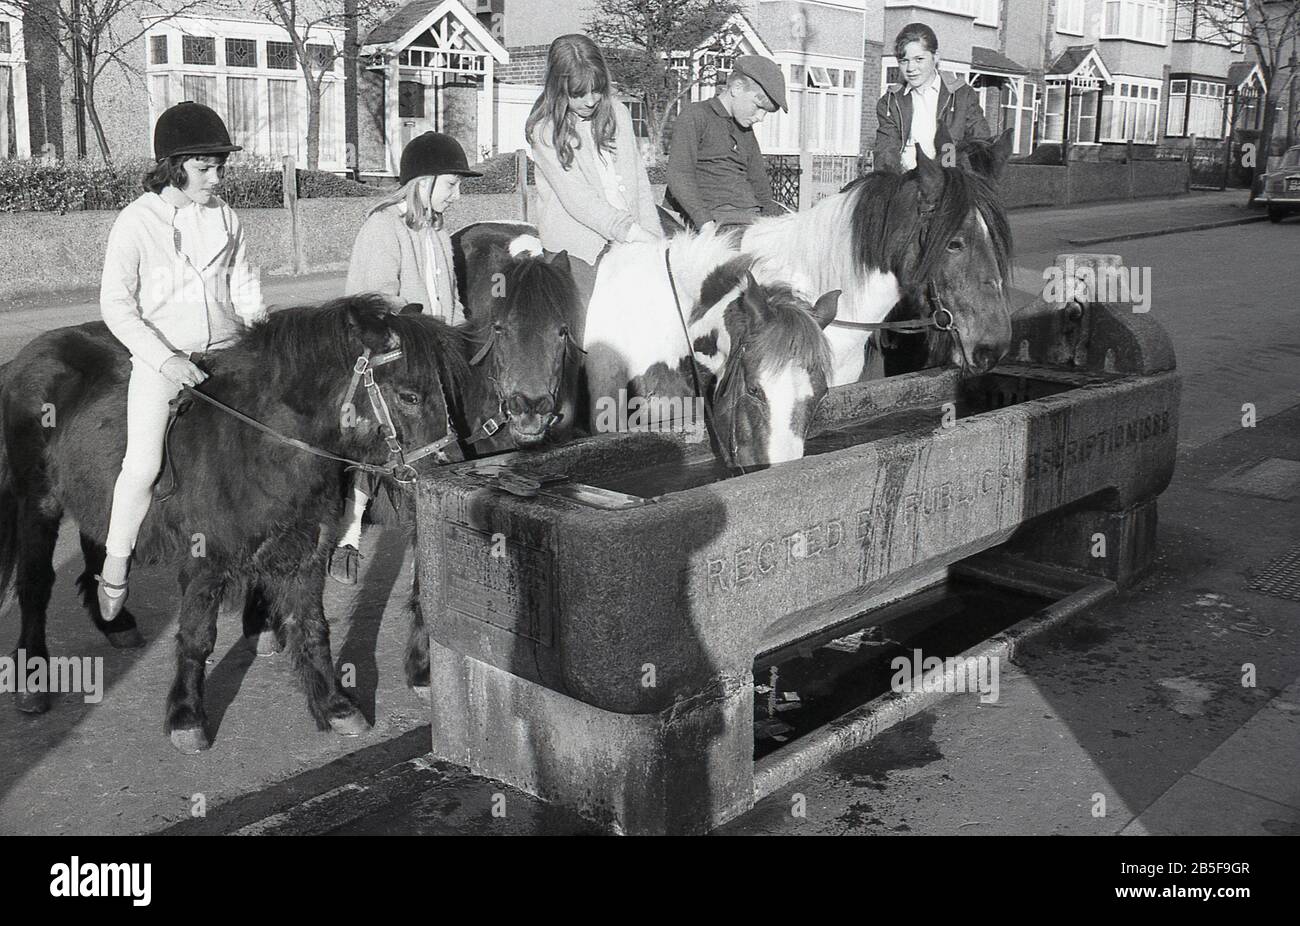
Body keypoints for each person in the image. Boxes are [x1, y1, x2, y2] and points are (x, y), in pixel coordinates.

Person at [97, 101, 265, 619]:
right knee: (142, 465)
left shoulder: (226, 217)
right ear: (174, 166)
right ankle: (116, 562)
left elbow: (245, 287)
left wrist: (258, 341)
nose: (216, 177)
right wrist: (165, 361)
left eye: (220, 166)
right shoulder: (136, 222)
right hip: (162, 363)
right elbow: (116, 305)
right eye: (204, 168)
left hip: (227, 359)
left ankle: (256, 571)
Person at [328, 131, 481, 585]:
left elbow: (450, 302)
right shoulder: (383, 226)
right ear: (424, 182)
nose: (457, 195)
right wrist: (417, 326)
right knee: (368, 442)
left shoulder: (437, 231)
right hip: (388, 358)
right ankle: (348, 534)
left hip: (431, 356)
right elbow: (372, 302)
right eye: (451, 184)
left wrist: (460, 337)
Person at [526, 33, 661, 332]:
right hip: (579, 249)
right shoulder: (546, 131)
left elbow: (639, 181)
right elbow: (579, 200)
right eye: (579, 93)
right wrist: (631, 231)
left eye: (597, 90)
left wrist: (653, 236)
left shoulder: (619, 113)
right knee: (588, 331)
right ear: (558, 89)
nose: (590, 101)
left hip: (632, 237)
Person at [666, 55, 788, 232]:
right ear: (737, 88)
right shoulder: (695, 115)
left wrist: (775, 226)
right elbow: (679, 175)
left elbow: (759, 183)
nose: (760, 118)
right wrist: (704, 222)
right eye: (758, 107)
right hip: (715, 221)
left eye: (766, 113)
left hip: (751, 220)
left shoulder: (744, 129)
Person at [873, 22, 990, 173]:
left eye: (919, 59)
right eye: (904, 61)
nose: (910, 68)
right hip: (905, 183)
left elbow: (980, 144)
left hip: (951, 183)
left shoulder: (962, 95)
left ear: (935, 57)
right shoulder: (889, 102)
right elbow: (886, 151)